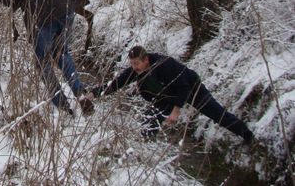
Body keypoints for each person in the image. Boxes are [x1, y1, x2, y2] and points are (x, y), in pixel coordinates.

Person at [91, 45, 254, 143]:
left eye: (137, 63)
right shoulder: (136, 70)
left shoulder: (165, 64)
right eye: (132, 64)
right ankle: (145, 144)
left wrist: (176, 111)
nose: (134, 67)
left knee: (216, 113)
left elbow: (183, 87)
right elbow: (118, 83)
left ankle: (246, 134)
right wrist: (94, 93)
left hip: (191, 88)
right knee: (150, 118)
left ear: (146, 59)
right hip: (166, 97)